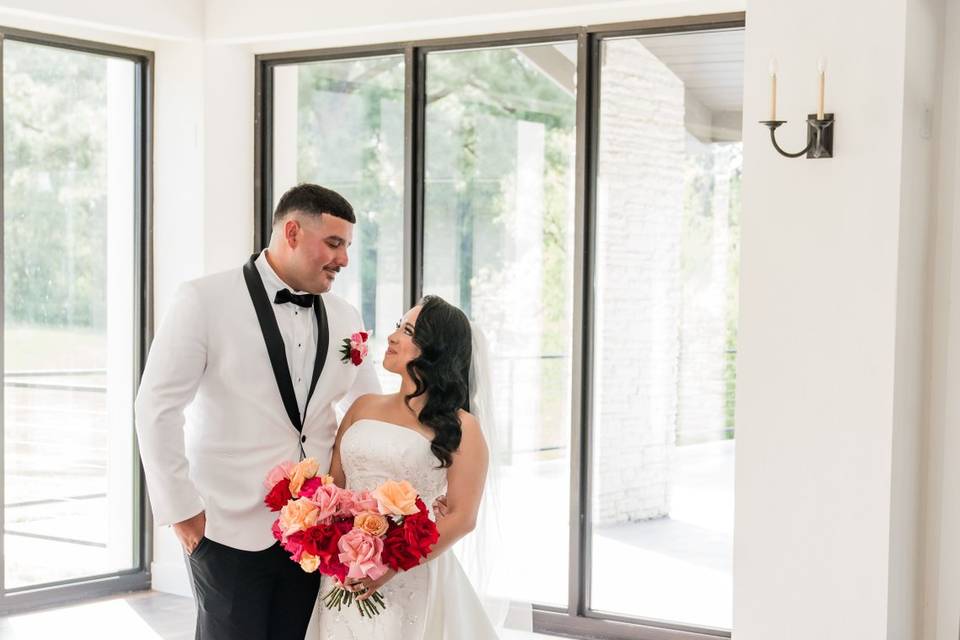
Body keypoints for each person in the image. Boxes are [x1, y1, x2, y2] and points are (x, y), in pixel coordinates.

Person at [135, 183, 381, 639]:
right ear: (292, 231)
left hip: (317, 529)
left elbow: (366, 411)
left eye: (347, 246)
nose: (344, 260)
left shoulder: (347, 316)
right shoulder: (203, 299)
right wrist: (183, 512)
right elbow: (157, 406)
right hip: (225, 525)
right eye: (334, 243)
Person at [310, 295, 498, 639]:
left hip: (411, 573)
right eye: (398, 325)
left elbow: (462, 516)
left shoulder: (462, 428)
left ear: (434, 350)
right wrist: (336, 545)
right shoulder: (363, 407)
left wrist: (389, 565)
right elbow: (333, 489)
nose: (393, 336)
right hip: (343, 569)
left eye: (408, 331)